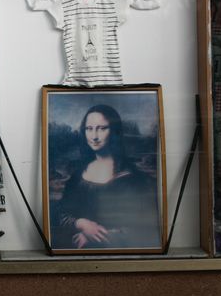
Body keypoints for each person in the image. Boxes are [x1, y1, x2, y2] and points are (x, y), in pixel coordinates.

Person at [57, 104, 160, 250]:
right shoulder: (78, 175)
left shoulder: (133, 178)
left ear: (114, 131)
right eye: (89, 129)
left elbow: (141, 227)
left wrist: (93, 236)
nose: (94, 136)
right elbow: (61, 215)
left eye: (102, 128)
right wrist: (82, 224)